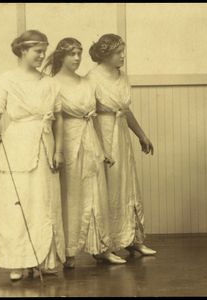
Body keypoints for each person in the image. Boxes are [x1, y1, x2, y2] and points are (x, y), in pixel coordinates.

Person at [0, 30, 66, 280]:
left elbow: (59, 118)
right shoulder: (7, 79)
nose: (43, 55)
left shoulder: (50, 82)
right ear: (22, 51)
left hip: (45, 144)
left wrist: (59, 149)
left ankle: (45, 259)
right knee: (17, 202)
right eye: (38, 51)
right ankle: (17, 261)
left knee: (44, 202)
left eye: (44, 50)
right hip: (17, 143)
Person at [43, 37, 126, 265]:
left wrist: (103, 148)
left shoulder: (87, 83)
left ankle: (101, 247)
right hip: (68, 142)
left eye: (79, 53)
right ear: (61, 56)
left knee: (97, 192)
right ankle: (69, 252)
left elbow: (95, 118)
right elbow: (52, 121)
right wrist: (56, 151)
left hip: (90, 140)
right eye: (72, 54)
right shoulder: (51, 84)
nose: (77, 58)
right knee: (72, 194)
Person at [86, 34, 156, 256]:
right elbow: (90, 116)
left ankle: (133, 239)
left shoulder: (122, 76)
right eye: (118, 53)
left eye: (123, 51)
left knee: (128, 186)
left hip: (121, 134)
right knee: (109, 188)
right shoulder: (91, 78)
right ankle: (106, 246)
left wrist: (141, 135)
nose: (123, 56)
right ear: (105, 54)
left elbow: (125, 110)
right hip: (103, 134)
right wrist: (100, 148)